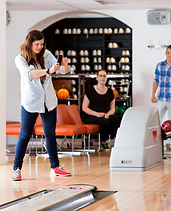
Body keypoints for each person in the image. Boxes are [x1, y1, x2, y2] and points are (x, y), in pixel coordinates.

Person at [13, 30, 71, 181]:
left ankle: (56, 167)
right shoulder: (20, 59)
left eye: (42, 44)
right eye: (37, 44)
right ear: (29, 43)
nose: (40, 47)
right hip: (30, 102)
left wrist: (63, 66)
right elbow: (28, 74)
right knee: (25, 135)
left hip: (48, 101)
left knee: (50, 134)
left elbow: (63, 71)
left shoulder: (47, 55)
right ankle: (16, 169)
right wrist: (47, 71)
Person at [82, 70, 121, 149]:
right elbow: (84, 108)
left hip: (104, 115)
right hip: (92, 116)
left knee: (116, 118)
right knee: (104, 121)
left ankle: (117, 140)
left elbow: (112, 109)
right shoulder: (90, 91)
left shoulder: (110, 92)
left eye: (104, 76)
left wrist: (108, 114)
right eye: (100, 76)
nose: (102, 78)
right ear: (97, 78)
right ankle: (104, 141)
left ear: (106, 78)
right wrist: (97, 114)